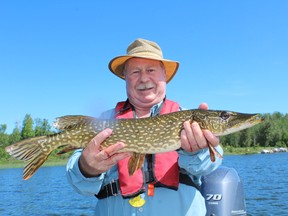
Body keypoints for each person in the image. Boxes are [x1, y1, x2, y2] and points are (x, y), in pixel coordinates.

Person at [66, 38, 223, 216]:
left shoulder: (188, 118)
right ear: (125, 77)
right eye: (135, 71)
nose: (144, 78)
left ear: (164, 74)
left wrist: (197, 152)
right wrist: (87, 167)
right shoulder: (103, 122)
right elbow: (78, 184)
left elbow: (211, 164)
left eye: (151, 70)